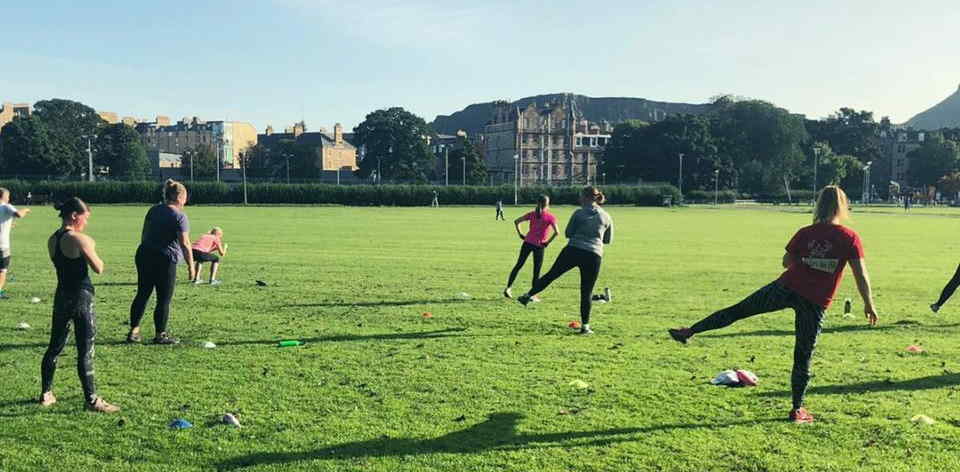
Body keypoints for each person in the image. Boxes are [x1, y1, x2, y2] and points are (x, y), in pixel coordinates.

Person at [667, 186, 878, 424]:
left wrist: (808, 259)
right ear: (843, 206)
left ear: (819, 205)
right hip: (815, 301)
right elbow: (861, 275)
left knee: (739, 310)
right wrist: (868, 304)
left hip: (785, 288)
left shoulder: (805, 232)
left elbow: (786, 262)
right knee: (803, 355)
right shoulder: (849, 237)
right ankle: (797, 409)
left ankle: (689, 331)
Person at [40, 197, 119, 413]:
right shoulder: (79, 239)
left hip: (61, 296)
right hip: (81, 298)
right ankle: (92, 400)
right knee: (85, 349)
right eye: (85, 218)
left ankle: (46, 393)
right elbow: (99, 267)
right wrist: (89, 243)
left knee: (54, 347)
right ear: (75, 216)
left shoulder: (52, 239)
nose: (86, 223)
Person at [516, 187, 613, 335]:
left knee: (551, 274)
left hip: (573, 249)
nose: (579, 199)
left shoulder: (578, 213)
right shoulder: (606, 216)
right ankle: (585, 327)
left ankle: (527, 296)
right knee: (586, 291)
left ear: (586, 197)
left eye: (581, 197)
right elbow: (607, 240)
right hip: (594, 254)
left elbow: (568, 233)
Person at [127, 179, 195, 345]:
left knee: (142, 293)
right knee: (163, 298)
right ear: (180, 197)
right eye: (185, 197)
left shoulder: (153, 210)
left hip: (144, 254)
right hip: (165, 259)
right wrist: (191, 265)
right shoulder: (180, 216)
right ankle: (160, 334)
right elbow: (185, 243)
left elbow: (144, 234)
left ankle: (134, 331)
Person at [504, 196, 559, 299]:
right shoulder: (550, 217)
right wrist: (547, 242)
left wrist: (521, 234)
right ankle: (533, 295)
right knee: (536, 271)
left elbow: (516, 221)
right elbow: (557, 232)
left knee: (518, 265)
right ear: (547, 204)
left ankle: (508, 287)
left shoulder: (532, 214)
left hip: (527, 242)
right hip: (539, 245)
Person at [0, 187, 31, 299]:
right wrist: (26, 210)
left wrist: (9, 226)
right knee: (2, 270)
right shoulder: (6, 206)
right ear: (4, 197)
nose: (9, 198)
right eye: (8, 196)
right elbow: (18, 214)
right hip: (2, 246)